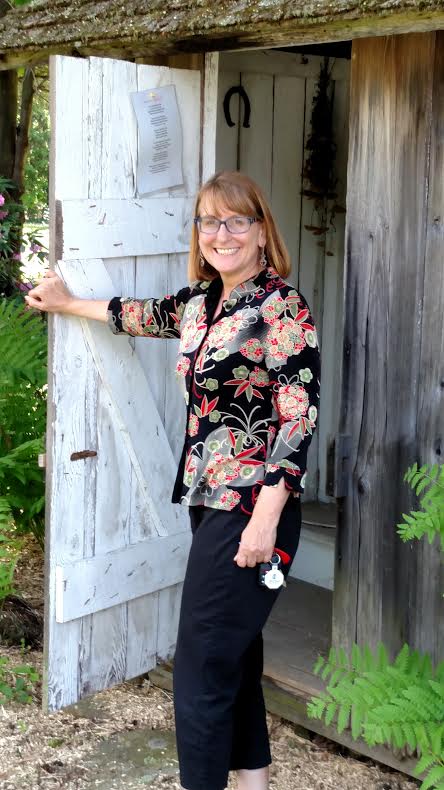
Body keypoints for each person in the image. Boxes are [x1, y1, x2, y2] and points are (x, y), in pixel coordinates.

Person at [25, 170, 320, 790]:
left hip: (252, 505)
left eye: (236, 221)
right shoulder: (199, 303)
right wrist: (65, 301)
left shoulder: (281, 307)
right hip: (209, 502)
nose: (222, 233)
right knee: (233, 653)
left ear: (261, 231)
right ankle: (255, 783)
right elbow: (133, 314)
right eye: (209, 221)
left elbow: (299, 420)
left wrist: (265, 521)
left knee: (200, 665)